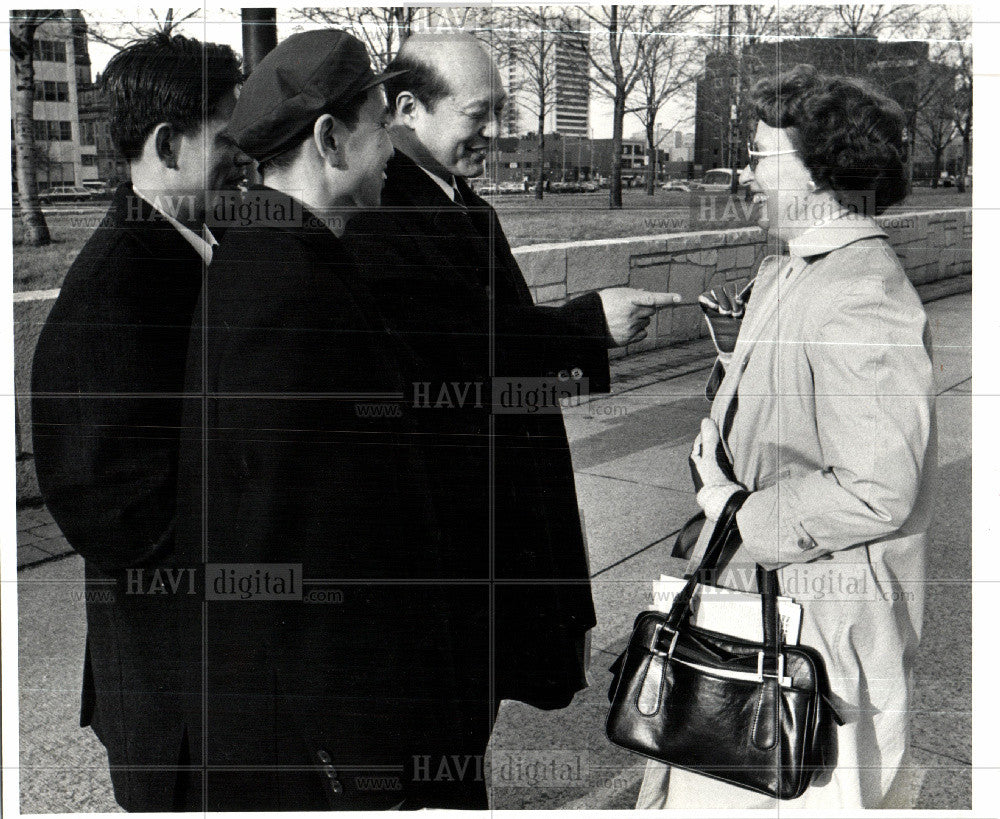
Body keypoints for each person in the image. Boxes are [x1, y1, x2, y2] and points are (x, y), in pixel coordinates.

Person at [344, 31, 680, 807]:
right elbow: (462, 341)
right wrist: (589, 323)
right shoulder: (382, 209)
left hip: (492, 523)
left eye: (501, 113)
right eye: (477, 113)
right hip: (446, 543)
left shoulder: (463, 205)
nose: (493, 132)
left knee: (469, 720)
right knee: (438, 742)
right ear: (405, 108)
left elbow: (496, 338)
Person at [173, 29, 505, 810]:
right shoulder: (290, 292)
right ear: (330, 138)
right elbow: (286, 560)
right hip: (338, 744)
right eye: (379, 120)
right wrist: (355, 763)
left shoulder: (292, 260)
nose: (392, 143)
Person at [637, 64, 936, 809]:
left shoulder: (860, 290)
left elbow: (875, 489)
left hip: (810, 638)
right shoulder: (796, 270)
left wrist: (731, 504)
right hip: (772, 609)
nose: (745, 173)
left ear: (819, 173)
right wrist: (738, 359)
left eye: (761, 156)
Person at [30, 34, 248, 812]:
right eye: (227, 128)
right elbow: (111, 507)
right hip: (182, 698)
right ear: (167, 142)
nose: (244, 149)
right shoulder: (115, 290)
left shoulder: (193, 248)